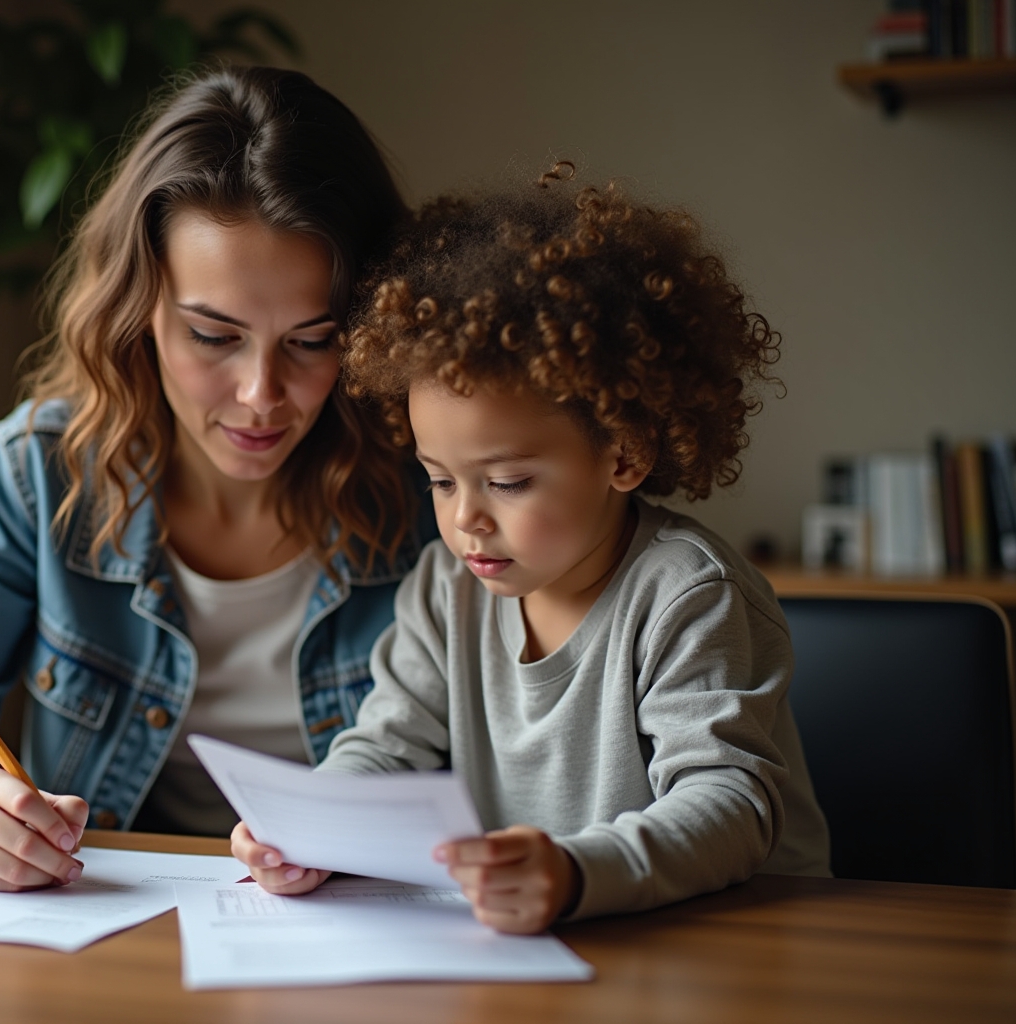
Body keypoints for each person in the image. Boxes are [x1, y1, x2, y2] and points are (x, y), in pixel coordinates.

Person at [0, 66, 434, 892]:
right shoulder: (42, 473)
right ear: (139, 308)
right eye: (214, 335)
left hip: (369, 930)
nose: (261, 395)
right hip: (107, 930)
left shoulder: (434, 485)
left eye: (312, 340)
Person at [232, 164, 831, 933]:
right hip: (551, 944)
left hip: (741, 941)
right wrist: (313, 829)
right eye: (441, 482)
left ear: (623, 453)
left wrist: (576, 872)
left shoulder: (690, 595)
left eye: (508, 482)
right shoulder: (444, 588)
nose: (467, 521)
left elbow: (727, 806)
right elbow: (384, 746)